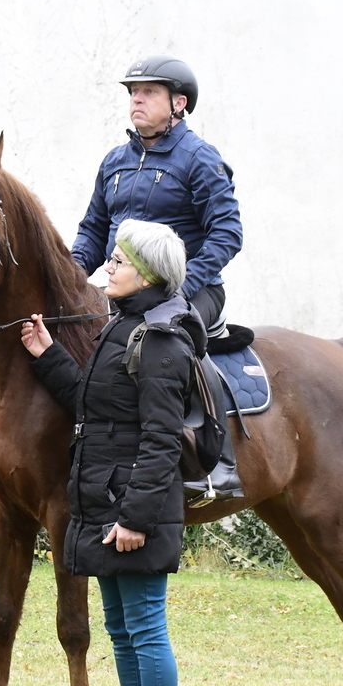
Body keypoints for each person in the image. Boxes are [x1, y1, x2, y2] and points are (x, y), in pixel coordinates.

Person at [22, 219, 199, 686]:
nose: (108, 267)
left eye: (119, 261)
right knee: (121, 629)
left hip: (134, 512)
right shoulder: (122, 327)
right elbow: (93, 407)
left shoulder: (160, 340)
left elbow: (162, 440)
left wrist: (136, 520)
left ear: (146, 274)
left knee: (145, 628)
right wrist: (48, 353)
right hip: (107, 505)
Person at [71, 55, 243, 501]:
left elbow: (227, 234)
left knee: (172, 338)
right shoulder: (114, 162)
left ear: (178, 103)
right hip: (125, 293)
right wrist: (71, 277)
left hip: (192, 290)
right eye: (133, 92)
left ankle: (219, 466)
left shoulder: (200, 158)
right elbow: (93, 231)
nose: (137, 99)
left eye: (149, 92)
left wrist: (179, 287)